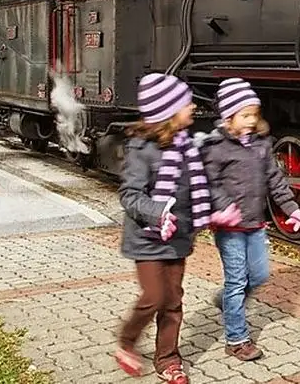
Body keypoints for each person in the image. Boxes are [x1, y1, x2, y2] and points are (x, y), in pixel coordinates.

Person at [114, 73, 240, 384]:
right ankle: (127, 342)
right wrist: (158, 214)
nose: (193, 106)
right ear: (169, 111)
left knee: (172, 302)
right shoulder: (141, 149)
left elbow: (203, 185)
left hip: (178, 237)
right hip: (147, 238)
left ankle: (168, 360)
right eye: (187, 103)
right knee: (153, 297)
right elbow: (130, 195)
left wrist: (221, 209)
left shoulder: (188, 148)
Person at [202, 77, 300, 362]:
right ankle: (237, 339)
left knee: (260, 275)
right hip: (229, 227)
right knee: (237, 280)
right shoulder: (217, 147)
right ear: (228, 117)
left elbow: (275, 179)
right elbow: (209, 183)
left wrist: (293, 209)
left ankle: (226, 300)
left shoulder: (261, 144)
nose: (251, 121)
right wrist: (223, 207)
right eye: (245, 115)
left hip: (255, 223)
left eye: (254, 114)